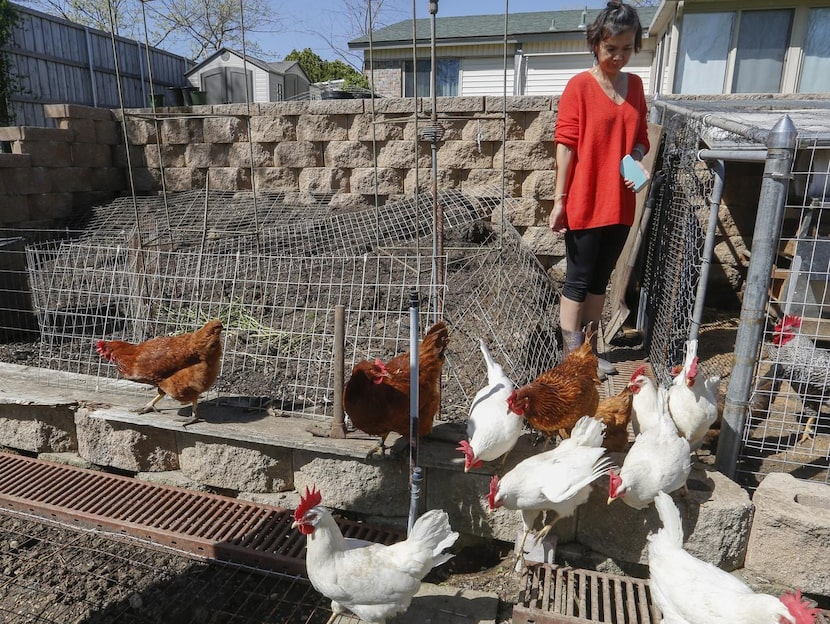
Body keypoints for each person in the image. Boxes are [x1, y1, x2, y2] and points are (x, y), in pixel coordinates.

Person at [550, 0, 650, 379]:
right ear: (596, 43)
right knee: (577, 280)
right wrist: (560, 200)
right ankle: (572, 360)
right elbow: (566, 145)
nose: (619, 57)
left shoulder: (636, 86)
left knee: (599, 282)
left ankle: (590, 353)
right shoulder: (579, 86)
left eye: (627, 49)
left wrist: (637, 158)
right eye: (612, 48)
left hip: (621, 201)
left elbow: (640, 138)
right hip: (586, 199)